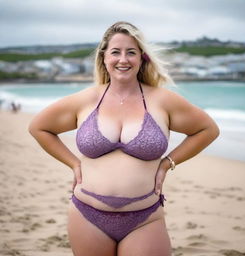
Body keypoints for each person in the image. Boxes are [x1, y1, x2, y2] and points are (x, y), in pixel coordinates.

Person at [29, 21, 219, 256]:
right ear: (104, 57)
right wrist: (74, 163)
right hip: (87, 214)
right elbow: (39, 128)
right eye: (115, 52)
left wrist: (167, 163)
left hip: (145, 218)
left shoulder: (163, 101)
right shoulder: (85, 100)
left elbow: (207, 130)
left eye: (131, 52)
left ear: (142, 58)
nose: (123, 59)